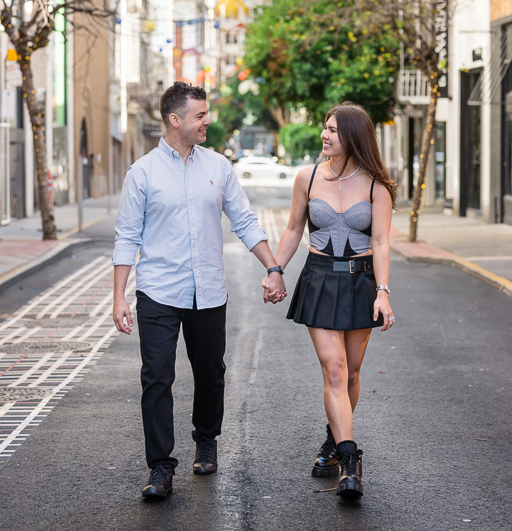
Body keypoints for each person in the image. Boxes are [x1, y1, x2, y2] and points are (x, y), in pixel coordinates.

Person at [112, 81, 286, 500]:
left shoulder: (218, 168)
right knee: (156, 378)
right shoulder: (143, 173)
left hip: (207, 290)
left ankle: (206, 440)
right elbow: (126, 237)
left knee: (211, 373)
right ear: (175, 121)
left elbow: (244, 220)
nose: (208, 121)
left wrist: (274, 267)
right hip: (158, 291)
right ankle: (160, 466)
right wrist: (119, 295)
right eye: (200, 115)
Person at [266, 102, 396, 501]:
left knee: (353, 373)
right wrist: (276, 269)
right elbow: (292, 228)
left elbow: (381, 242)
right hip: (319, 279)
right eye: (324, 128)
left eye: (333, 131)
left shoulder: (376, 185)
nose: (324, 135)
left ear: (353, 137)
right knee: (335, 369)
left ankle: (331, 439)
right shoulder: (307, 178)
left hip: (360, 283)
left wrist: (383, 292)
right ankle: (350, 461)